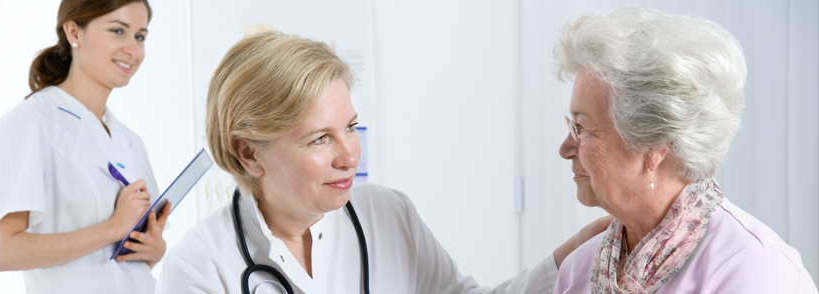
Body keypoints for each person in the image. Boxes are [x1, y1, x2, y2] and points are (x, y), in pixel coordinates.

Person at [155, 30, 610, 294]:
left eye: (350, 127)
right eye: (319, 139)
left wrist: (561, 264)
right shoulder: (199, 267)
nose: (350, 154)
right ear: (250, 154)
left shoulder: (387, 214)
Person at [552, 7, 818, 293]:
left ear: (653, 147)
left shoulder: (755, 269)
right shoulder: (577, 269)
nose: (565, 149)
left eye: (581, 128)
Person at [0, 0, 171, 293]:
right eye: (118, 31)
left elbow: (113, 263)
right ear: (74, 32)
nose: (133, 50)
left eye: (140, 36)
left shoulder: (130, 142)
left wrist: (153, 250)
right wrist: (112, 228)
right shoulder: (31, 123)